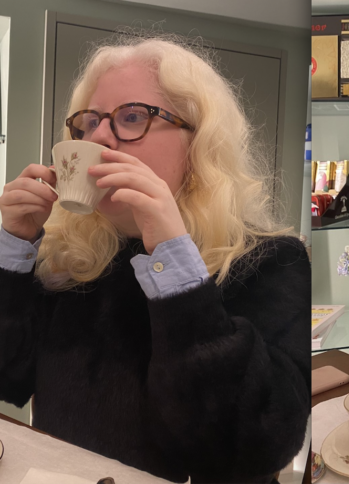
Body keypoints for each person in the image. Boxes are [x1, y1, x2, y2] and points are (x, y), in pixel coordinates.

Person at [0, 36, 310, 484]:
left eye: (132, 117)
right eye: (89, 122)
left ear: (199, 141)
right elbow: (8, 380)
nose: (98, 137)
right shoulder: (71, 255)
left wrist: (172, 258)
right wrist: (14, 246)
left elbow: (253, 446)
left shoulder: (271, 260)